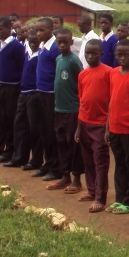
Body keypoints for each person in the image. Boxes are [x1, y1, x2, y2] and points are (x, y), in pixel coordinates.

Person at [75, 39, 112, 213]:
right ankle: (91, 190)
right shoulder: (82, 74)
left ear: (101, 54)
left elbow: (112, 101)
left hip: (100, 124)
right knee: (88, 160)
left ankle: (100, 196)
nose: (90, 56)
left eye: (94, 53)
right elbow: (82, 101)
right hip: (84, 122)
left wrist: (108, 127)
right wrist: (78, 127)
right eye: (87, 53)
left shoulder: (109, 73)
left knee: (100, 161)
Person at [46, 28, 84, 194]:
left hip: (72, 110)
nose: (62, 45)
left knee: (73, 144)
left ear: (71, 42)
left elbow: (81, 83)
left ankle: (76, 178)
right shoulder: (58, 59)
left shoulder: (74, 60)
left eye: (65, 42)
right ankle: (65, 175)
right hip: (59, 108)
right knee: (61, 142)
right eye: (59, 42)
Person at [106, 39, 129, 214]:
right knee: (119, 165)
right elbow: (111, 102)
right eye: (119, 55)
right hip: (114, 127)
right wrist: (107, 127)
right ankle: (120, 198)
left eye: (126, 54)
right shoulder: (113, 73)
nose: (122, 58)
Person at [0, 17, 23, 163]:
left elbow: (21, 66)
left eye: (1, 29)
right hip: (0, 86)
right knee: (2, 118)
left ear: (9, 28)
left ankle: (12, 151)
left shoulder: (16, 46)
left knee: (11, 119)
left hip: (12, 87)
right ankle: (5, 149)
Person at [33, 18, 62, 181]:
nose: (38, 33)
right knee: (43, 131)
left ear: (51, 29)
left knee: (52, 132)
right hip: (41, 92)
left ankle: (56, 167)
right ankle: (48, 163)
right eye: (37, 30)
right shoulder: (42, 46)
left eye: (42, 30)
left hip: (51, 94)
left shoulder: (55, 48)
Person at [8, 32, 42, 169]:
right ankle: (19, 157)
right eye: (30, 42)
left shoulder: (41, 55)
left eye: (35, 42)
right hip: (23, 93)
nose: (32, 44)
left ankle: (36, 160)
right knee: (19, 125)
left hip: (34, 93)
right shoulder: (27, 53)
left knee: (35, 128)